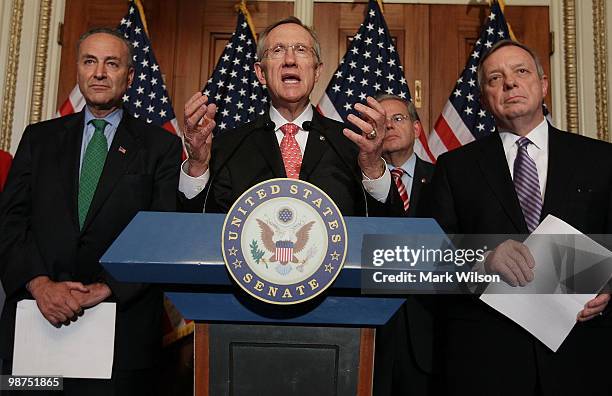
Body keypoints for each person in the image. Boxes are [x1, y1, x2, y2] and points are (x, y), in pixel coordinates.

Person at [0, 28, 182, 395]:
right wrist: (40, 284)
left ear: (129, 77)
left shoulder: (161, 145)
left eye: (111, 63)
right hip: (36, 326)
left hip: (121, 335)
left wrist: (105, 288)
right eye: (89, 61)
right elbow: (10, 222)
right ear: (79, 70)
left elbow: (159, 233)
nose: (99, 72)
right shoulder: (39, 139)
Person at [426, 40, 612, 395]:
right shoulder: (454, 169)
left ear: (543, 86)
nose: (509, 83)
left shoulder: (602, 160)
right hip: (487, 362)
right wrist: (483, 260)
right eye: (495, 78)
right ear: (484, 100)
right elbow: (432, 258)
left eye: (521, 72)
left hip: (583, 357)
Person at [178, 16, 403, 217]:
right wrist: (197, 165)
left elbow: (387, 230)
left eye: (301, 49)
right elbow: (194, 228)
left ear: (316, 72)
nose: (290, 60)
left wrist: (373, 167)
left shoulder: (351, 145)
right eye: (277, 50)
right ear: (260, 73)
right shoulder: (227, 146)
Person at [373, 94, 436, 395]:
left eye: (397, 118)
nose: (388, 126)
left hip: (429, 330)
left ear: (416, 128)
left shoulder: (443, 179)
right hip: (373, 333)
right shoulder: (355, 182)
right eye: (380, 122)